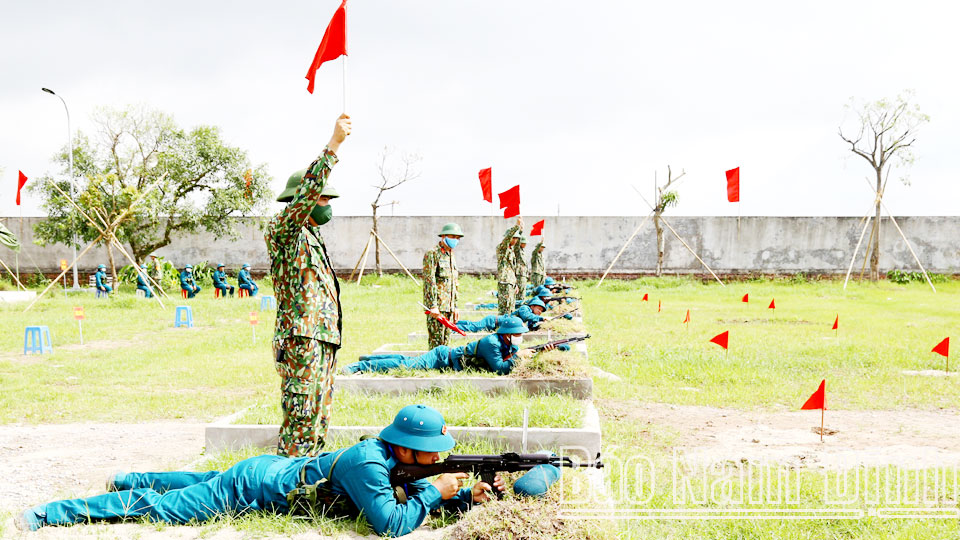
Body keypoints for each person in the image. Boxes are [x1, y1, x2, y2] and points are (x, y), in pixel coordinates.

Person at [16, 405, 505, 538]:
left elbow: (410, 495)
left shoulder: (388, 460)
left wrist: (462, 496)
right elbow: (390, 525)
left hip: (266, 470)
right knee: (162, 509)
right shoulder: (368, 463)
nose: (439, 460)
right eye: (432, 453)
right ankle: (50, 513)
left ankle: (126, 476)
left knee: (193, 483)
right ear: (407, 449)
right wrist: (436, 491)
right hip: (252, 488)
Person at [265, 114, 351, 458]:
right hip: (302, 340)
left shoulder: (311, 236)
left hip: (322, 338)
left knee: (318, 414)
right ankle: (287, 481)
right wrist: (333, 145)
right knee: (301, 417)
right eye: (324, 199)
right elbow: (309, 193)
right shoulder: (284, 230)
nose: (328, 205)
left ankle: (308, 478)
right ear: (304, 200)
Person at [343, 316, 555, 376]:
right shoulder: (492, 342)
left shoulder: (506, 342)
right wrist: (521, 357)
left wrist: (539, 351)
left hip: (447, 359)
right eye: (518, 335)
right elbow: (499, 368)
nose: (520, 338)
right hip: (442, 358)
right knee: (406, 367)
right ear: (507, 334)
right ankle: (360, 367)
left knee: (405, 361)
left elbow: (514, 355)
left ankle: (370, 359)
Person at [423, 223, 463, 349]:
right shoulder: (433, 254)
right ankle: (433, 367)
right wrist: (432, 306)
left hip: (449, 306)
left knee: (446, 341)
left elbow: (454, 283)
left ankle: (443, 366)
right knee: (436, 341)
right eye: (453, 236)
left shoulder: (451, 255)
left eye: (458, 238)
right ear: (443, 236)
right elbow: (429, 281)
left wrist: (455, 306)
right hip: (438, 306)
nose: (455, 240)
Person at [456, 298, 567, 333]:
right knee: (472, 328)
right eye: (538, 309)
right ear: (532, 306)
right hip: (492, 322)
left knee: (472, 324)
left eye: (542, 311)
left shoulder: (530, 314)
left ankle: (455, 324)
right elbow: (528, 316)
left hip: (494, 324)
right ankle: (452, 327)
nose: (539, 312)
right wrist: (542, 318)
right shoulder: (525, 309)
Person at [495, 217, 523, 315]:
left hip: (510, 282)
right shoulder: (502, 248)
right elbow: (506, 240)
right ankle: (502, 325)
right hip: (505, 282)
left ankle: (509, 326)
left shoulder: (511, 251)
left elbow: (512, 269)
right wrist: (517, 226)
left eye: (517, 238)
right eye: (514, 238)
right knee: (505, 307)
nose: (515, 240)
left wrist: (515, 284)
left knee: (511, 305)